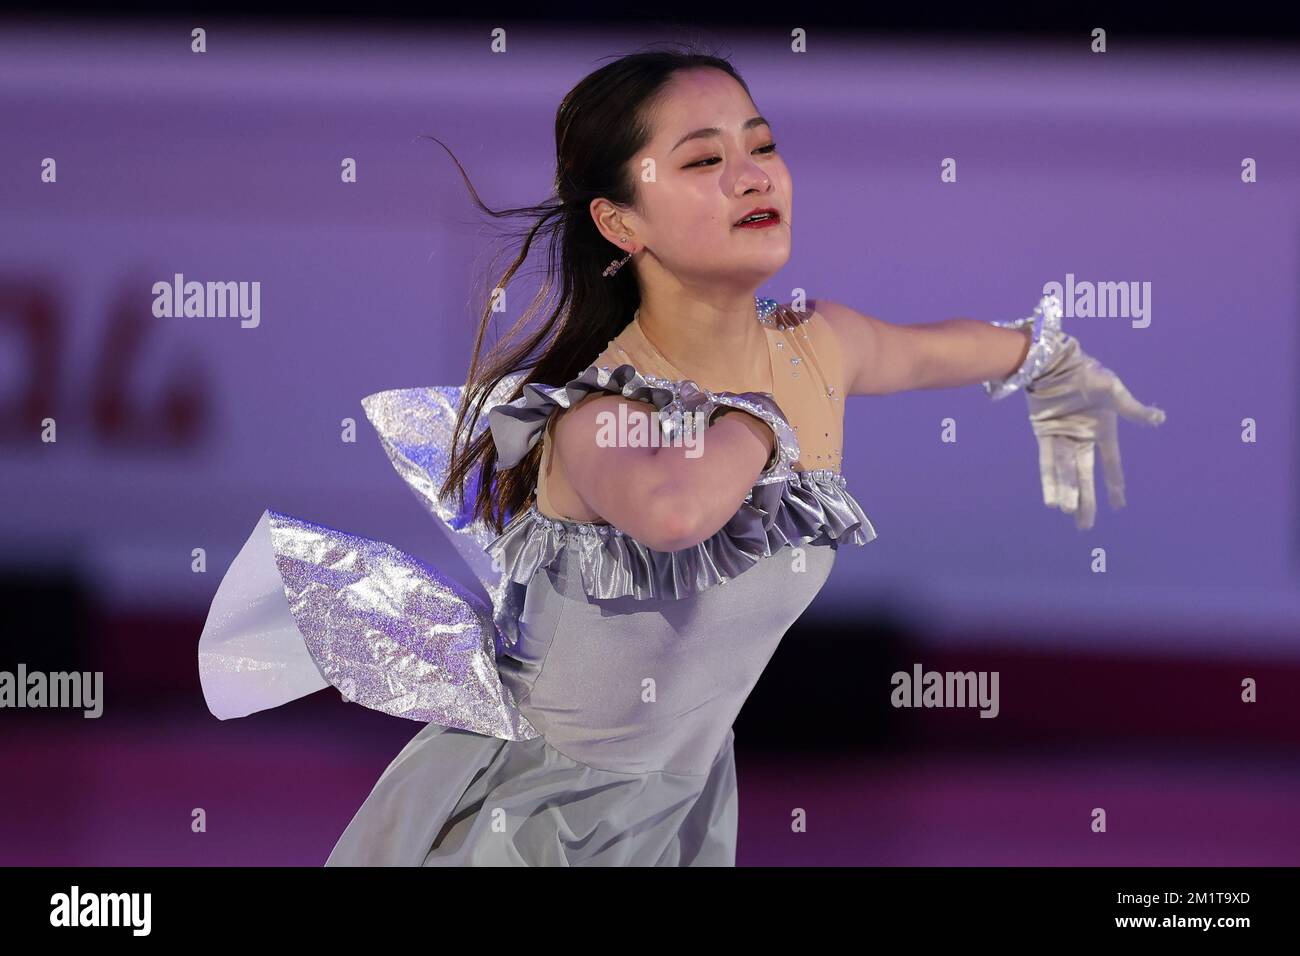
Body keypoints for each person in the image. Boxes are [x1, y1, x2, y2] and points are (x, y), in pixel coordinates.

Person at [196, 45, 1165, 866]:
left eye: (763, 145)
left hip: (678, 806)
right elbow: (673, 511)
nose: (754, 175)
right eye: (703, 160)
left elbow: (929, 348)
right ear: (621, 223)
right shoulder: (596, 410)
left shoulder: (815, 345)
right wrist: (764, 418)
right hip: (532, 821)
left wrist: (1053, 361)